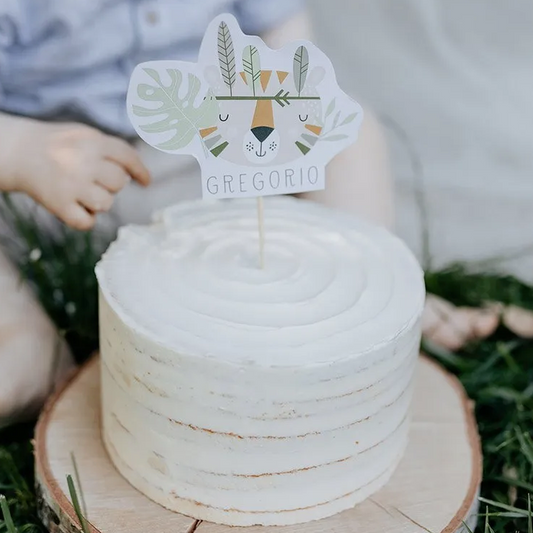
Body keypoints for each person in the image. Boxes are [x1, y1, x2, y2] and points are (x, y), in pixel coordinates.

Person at [0, 1, 391, 428]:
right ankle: (27, 350)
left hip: (199, 160)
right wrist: (20, 151)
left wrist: (289, 117)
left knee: (350, 138)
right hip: (41, 185)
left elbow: (288, 44)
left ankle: (369, 294)